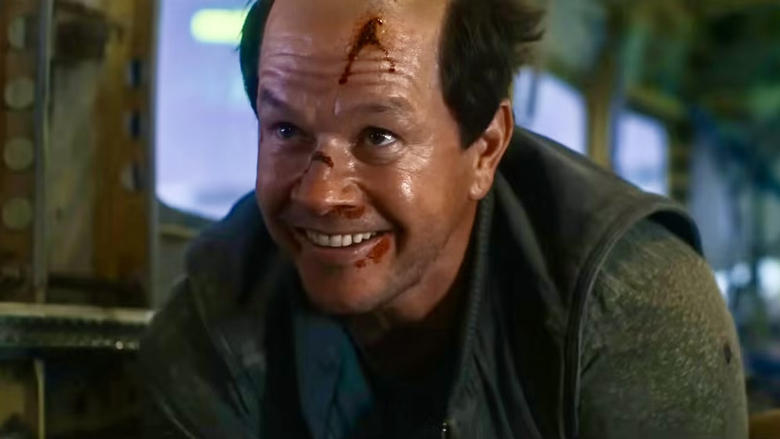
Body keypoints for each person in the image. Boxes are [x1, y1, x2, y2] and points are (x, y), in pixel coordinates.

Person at [139, 0, 749, 437]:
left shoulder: (626, 306)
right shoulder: (214, 322)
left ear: (485, 150)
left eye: (378, 136)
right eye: (286, 130)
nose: (322, 195)